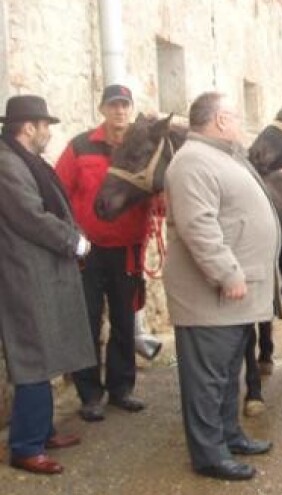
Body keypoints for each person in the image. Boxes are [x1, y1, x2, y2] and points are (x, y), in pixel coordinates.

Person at [163, 92, 279, 481]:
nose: (241, 122)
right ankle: (209, 455)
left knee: (228, 374)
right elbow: (199, 227)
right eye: (235, 114)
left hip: (233, 297)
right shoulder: (193, 161)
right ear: (220, 120)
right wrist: (228, 273)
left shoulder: (222, 156)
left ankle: (229, 435)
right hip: (210, 296)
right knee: (207, 379)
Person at [0, 95, 96, 474]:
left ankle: (42, 431)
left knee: (48, 350)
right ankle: (24, 445)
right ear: (29, 127)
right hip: (25, 273)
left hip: (41, 269)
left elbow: (55, 206)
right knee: (34, 358)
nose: (48, 133)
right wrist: (73, 240)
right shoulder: (7, 164)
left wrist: (74, 233)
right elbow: (30, 216)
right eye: (45, 126)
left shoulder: (26, 160)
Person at [55, 84, 151, 421]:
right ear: (103, 109)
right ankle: (90, 395)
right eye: (113, 105)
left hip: (127, 249)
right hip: (88, 252)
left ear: (131, 109)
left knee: (125, 322)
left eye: (125, 105)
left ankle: (121, 389)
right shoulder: (80, 146)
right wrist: (71, 236)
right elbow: (58, 192)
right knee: (88, 321)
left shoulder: (141, 147)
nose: (120, 111)